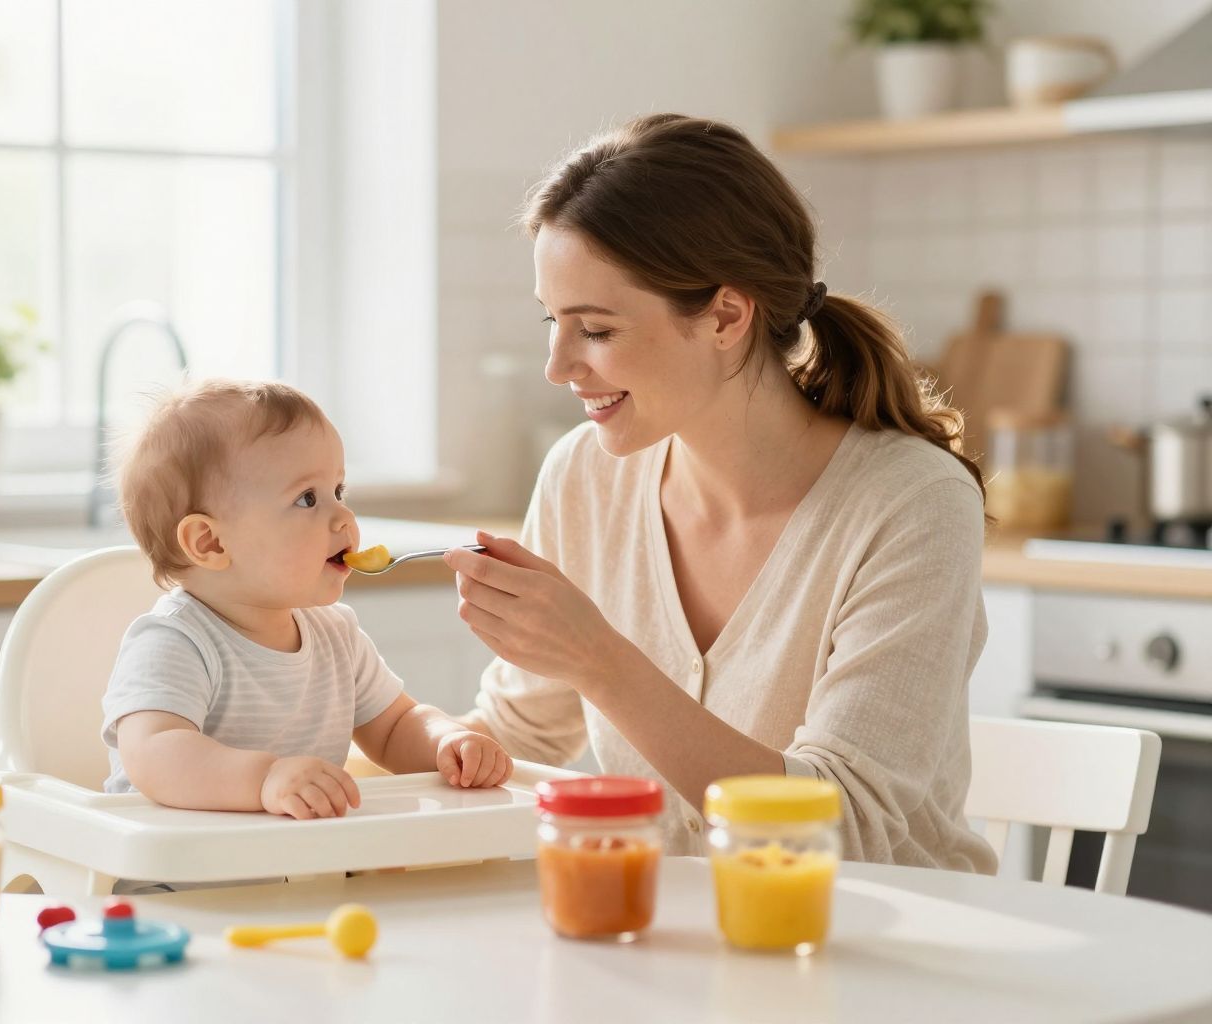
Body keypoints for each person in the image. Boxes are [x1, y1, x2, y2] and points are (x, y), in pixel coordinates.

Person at [446, 114, 998, 872]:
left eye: (596, 330)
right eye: (553, 322)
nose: (558, 366)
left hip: (877, 952)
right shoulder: (585, 476)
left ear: (727, 316)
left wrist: (602, 662)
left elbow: (842, 827)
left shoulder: (910, 503)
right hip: (665, 952)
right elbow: (517, 732)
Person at [101, 378, 512, 820]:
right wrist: (264, 780)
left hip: (297, 872)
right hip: (175, 879)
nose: (344, 516)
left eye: (339, 491)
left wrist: (445, 740)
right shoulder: (175, 641)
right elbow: (155, 753)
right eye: (307, 499)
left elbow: (394, 728)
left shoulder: (336, 634)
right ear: (211, 543)